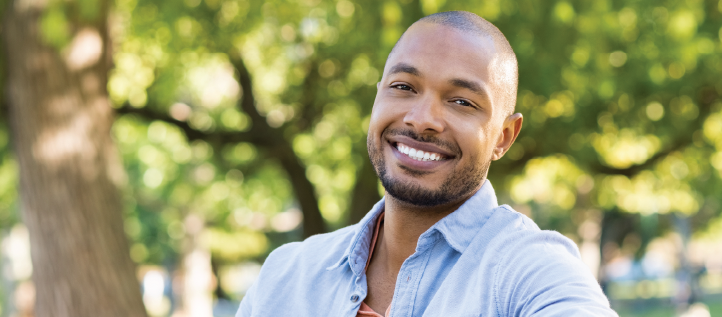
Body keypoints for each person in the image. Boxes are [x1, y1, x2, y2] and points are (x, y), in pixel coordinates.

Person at [236, 11, 617, 317]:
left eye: (462, 101)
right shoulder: (285, 276)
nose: (421, 119)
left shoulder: (526, 271)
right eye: (403, 87)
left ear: (503, 137)